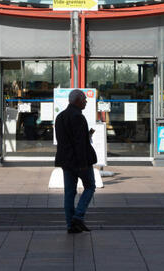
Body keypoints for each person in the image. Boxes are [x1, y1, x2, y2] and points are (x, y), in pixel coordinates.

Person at [54, 89, 97, 234]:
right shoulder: (78, 117)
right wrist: (83, 163)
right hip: (79, 161)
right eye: (84, 99)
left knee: (69, 193)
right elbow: (79, 143)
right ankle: (78, 216)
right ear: (77, 100)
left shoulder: (60, 117)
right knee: (90, 186)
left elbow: (63, 141)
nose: (86, 101)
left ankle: (70, 225)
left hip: (66, 161)